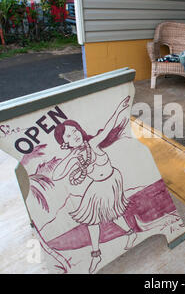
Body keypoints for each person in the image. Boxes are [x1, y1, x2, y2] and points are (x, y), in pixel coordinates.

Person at [52, 96, 137, 273]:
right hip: (97, 187)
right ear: (64, 142)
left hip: (111, 180)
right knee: (93, 220)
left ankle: (130, 235)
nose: (74, 135)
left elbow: (107, 129)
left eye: (75, 131)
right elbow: (56, 174)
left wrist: (120, 108)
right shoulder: (75, 156)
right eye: (69, 135)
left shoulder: (92, 143)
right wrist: (71, 156)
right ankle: (97, 254)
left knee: (114, 212)